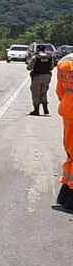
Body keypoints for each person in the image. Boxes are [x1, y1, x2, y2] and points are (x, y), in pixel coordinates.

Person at [57, 52, 73, 209]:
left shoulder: (65, 61)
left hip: (68, 110)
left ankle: (66, 192)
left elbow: (60, 91)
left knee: (70, 151)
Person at [27, 45, 55, 115]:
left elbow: (29, 68)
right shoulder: (50, 57)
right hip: (47, 77)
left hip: (37, 77)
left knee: (36, 93)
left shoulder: (35, 57)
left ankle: (36, 110)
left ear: (38, 49)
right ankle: (45, 109)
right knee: (44, 92)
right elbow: (51, 67)